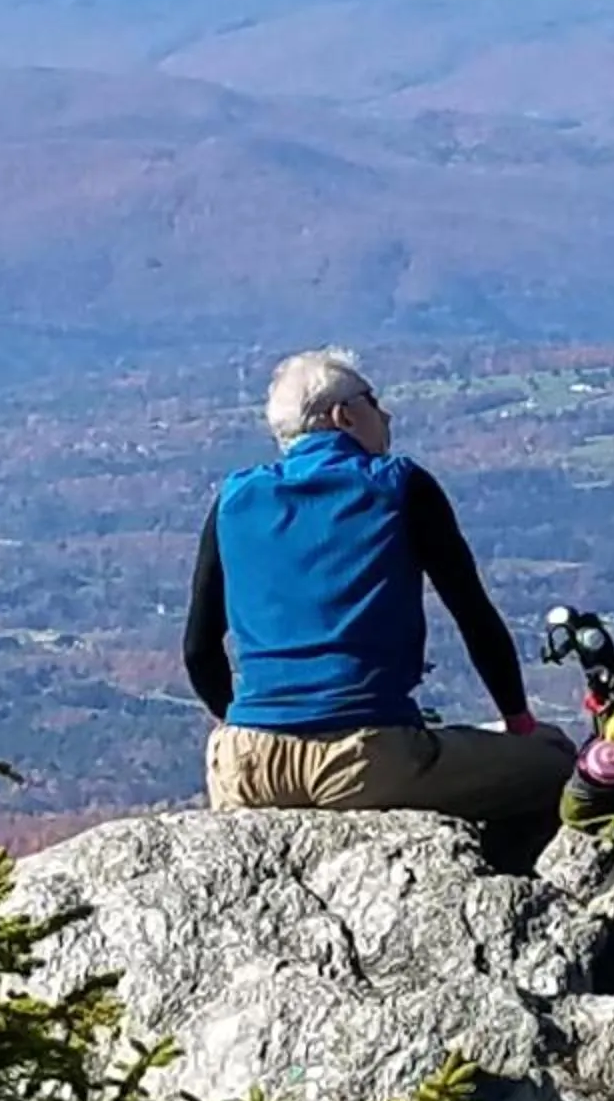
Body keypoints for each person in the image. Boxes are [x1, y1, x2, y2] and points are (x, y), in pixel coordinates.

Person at [183, 348, 573, 820]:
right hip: (363, 760)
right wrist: (518, 720)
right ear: (343, 415)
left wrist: (253, 721)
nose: (385, 413)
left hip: (247, 767)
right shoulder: (397, 486)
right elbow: (473, 615)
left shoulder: (234, 498)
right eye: (372, 400)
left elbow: (198, 649)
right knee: (554, 758)